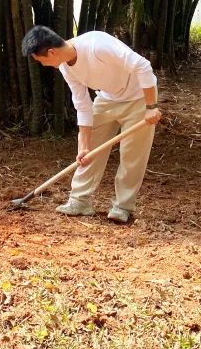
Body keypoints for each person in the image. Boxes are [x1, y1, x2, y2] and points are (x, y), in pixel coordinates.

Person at [21, 25, 162, 224]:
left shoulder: (97, 45)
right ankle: (80, 201)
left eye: (41, 61)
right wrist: (84, 145)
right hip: (107, 98)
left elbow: (143, 66)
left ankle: (123, 206)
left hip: (139, 98)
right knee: (90, 152)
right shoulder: (65, 67)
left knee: (132, 155)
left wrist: (151, 106)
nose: (43, 65)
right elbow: (82, 105)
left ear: (51, 52)